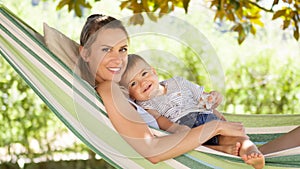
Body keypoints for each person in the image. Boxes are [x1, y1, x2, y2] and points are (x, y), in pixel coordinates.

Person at [76, 13, 257, 168]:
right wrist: (215, 127)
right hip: (185, 147)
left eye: (122, 49)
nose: (118, 59)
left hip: (194, 143)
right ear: (85, 54)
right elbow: (152, 150)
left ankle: (224, 149)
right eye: (106, 49)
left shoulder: (120, 89)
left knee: (265, 148)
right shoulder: (109, 89)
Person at [119, 54, 265, 168]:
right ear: (130, 94)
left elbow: (204, 98)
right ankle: (222, 150)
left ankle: (251, 152)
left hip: (207, 117)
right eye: (133, 83)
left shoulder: (178, 82)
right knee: (195, 148)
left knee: (237, 136)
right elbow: (159, 120)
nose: (142, 82)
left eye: (144, 74)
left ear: (154, 71)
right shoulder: (145, 104)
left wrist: (214, 97)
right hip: (187, 127)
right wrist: (176, 128)